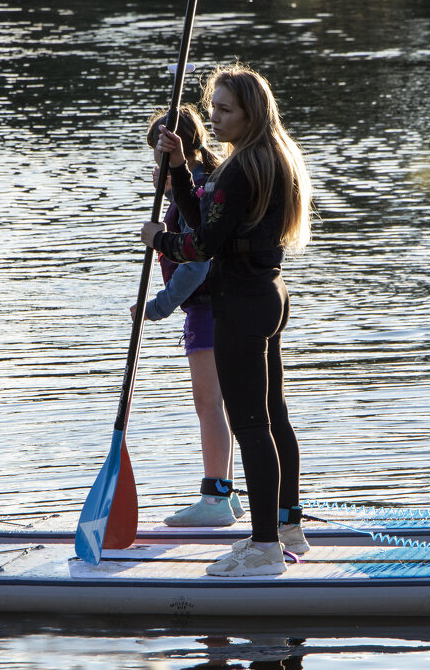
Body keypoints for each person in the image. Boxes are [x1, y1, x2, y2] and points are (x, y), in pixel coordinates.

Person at [141, 63, 313, 577]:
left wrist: (159, 240)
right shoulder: (268, 156)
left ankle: (263, 549)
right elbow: (205, 218)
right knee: (273, 416)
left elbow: (199, 243)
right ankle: (286, 528)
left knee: (251, 426)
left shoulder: (242, 167)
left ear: (251, 113)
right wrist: (175, 169)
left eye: (225, 109)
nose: (213, 117)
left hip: (240, 303)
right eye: (212, 106)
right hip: (269, 295)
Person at [135, 105, 245, 527]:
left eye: (158, 159)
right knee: (222, 404)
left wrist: (156, 308)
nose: (156, 172)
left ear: (173, 151)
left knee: (208, 404)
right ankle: (228, 495)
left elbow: (196, 264)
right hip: (221, 308)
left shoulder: (192, 191)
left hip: (207, 311)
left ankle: (215, 499)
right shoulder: (206, 179)